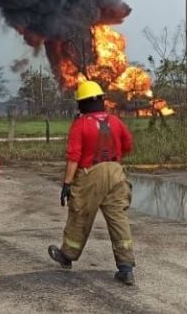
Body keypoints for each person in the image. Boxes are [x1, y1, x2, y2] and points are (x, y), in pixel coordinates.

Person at [47, 80, 136, 285]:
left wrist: (67, 184)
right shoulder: (115, 122)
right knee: (118, 220)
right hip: (116, 173)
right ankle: (126, 268)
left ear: (82, 104)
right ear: (101, 101)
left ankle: (67, 256)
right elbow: (128, 145)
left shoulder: (80, 125)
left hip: (89, 174)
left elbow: (74, 157)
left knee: (80, 215)